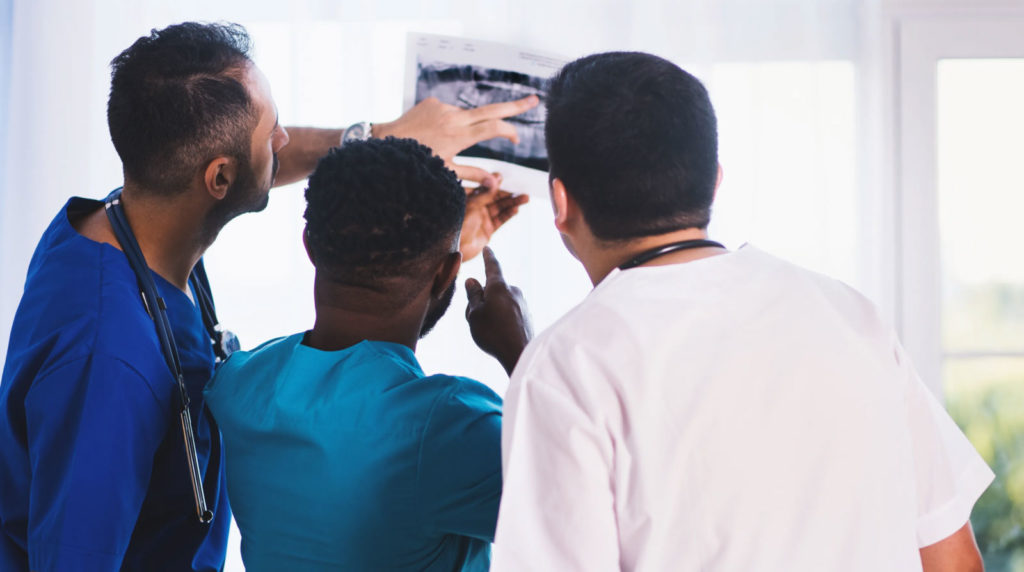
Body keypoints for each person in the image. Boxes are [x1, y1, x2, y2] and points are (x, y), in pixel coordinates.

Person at [0, 22, 535, 571]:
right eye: (272, 131)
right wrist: (518, 346)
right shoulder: (107, 361)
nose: (284, 140)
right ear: (219, 178)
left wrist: (411, 226)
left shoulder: (122, 225)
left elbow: (359, 347)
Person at [469, 52, 993, 571]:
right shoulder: (852, 317)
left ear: (558, 203)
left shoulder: (564, 365)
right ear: (715, 180)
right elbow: (953, 561)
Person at [204, 137, 531, 571]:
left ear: (310, 245)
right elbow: (590, 508)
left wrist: (434, 259)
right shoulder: (447, 429)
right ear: (449, 272)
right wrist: (522, 352)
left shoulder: (237, 385)